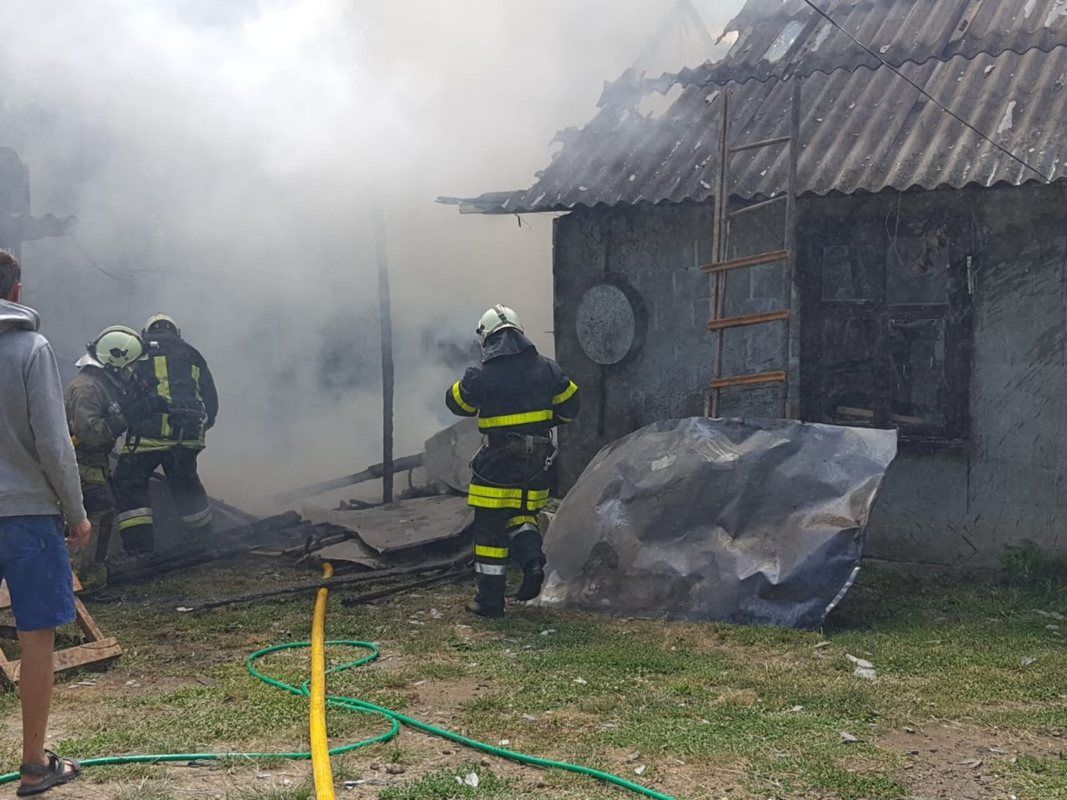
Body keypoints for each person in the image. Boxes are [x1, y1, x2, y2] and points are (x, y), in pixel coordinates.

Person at [0, 250, 88, 796]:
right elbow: (55, 443)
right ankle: (34, 767)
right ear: (17, 290)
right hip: (28, 514)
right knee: (35, 639)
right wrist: (76, 513)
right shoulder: (31, 348)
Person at [445, 304, 580, 618]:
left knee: (490, 531)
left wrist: (470, 382)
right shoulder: (548, 369)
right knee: (521, 515)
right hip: (537, 465)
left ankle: (490, 601)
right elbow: (570, 409)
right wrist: (542, 421)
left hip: (497, 465)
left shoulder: (481, 374)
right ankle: (532, 562)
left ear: (487, 337)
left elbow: (457, 403)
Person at [65, 326, 163, 589]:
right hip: (80, 466)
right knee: (96, 514)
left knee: (102, 513)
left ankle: (86, 578)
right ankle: (82, 579)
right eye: (130, 366)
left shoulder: (101, 385)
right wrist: (126, 416)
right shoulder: (86, 388)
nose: (132, 371)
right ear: (115, 361)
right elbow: (90, 434)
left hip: (93, 465)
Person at [112, 313, 218, 554]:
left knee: (129, 485)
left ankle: (140, 552)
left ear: (146, 331)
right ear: (176, 332)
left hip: (147, 439)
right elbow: (210, 398)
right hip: (187, 437)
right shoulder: (193, 354)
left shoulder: (139, 350)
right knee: (187, 487)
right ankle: (204, 543)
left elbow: (123, 390)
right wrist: (205, 425)